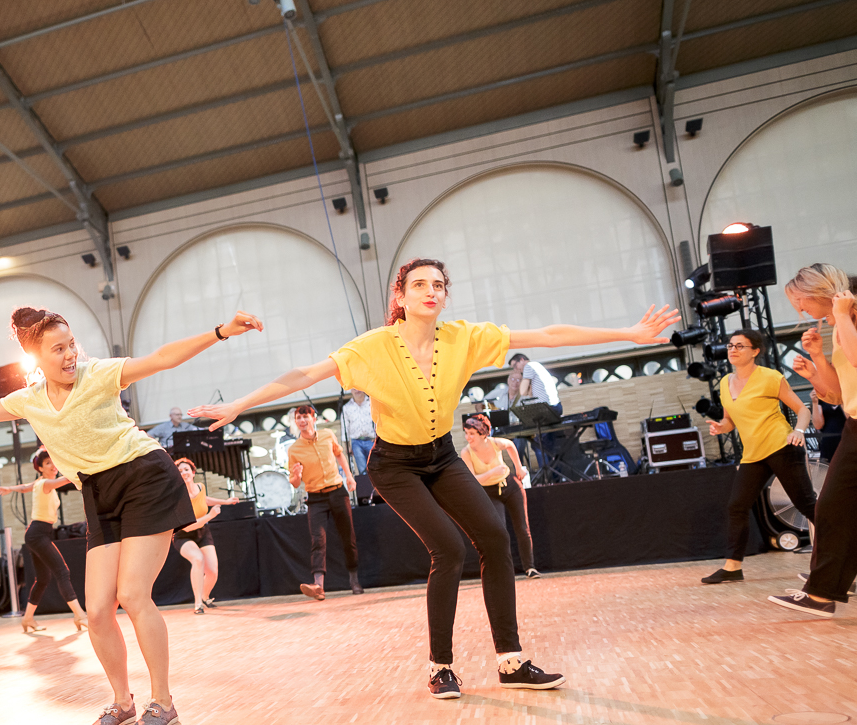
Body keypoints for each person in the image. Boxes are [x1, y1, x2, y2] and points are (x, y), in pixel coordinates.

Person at [192, 257, 678, 699]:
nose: (431, 291)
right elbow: (303, 375)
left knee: (493, 535)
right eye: (419, 284)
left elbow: (547, 335)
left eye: (439, 285)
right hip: (394, 465)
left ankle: (510, 660)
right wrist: (239, 404)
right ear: (399, 297)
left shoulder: (464, 337)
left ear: (446, 296)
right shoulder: (373, 347)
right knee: (448, 548)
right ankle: (440, 666)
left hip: (442, 457)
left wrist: (630, 334)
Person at [0, 305, 265, 725]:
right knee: (96, 610)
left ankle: (163, 701)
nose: (69, 354)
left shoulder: (98, 374)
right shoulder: (29, 400)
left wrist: (221, 331)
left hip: (144, 476)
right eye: (57, 349)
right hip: (98, 493)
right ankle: (121, 701)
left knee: (133, 595)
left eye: (71, 344)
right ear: (36, 358)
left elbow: (161, 357)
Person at [698, 328, 817, 585]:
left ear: (755, 351)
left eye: (740, 346)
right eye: (730, 345)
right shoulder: (724, 382)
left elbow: (801, 409)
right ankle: (732, 567)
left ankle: (843, 557)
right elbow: (730, 421)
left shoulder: (770, 377)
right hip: (752, 454)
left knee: (808, 505)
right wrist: (721, 427)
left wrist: (797, 431)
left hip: (781, 445)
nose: (732, 349)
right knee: (737, 506)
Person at [776, 264, 857, 615]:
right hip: (855, 423)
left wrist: (842, 317)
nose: (800, 310)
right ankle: (826, 590)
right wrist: (818, 361)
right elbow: (838, 395)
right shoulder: (841, 324)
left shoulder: (849, 316)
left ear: (813, 292)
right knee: (837, 507)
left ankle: (824, 590)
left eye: (799, 301)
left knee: (835, 506)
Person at [0, 448, 89, 633]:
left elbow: (24, 488)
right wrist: (80, 466)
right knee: (62, 571)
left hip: (38, 534)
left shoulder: (39, 483)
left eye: (54, 462)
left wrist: (9, 489)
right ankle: (79, 615)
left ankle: (28, 619)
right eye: (47, 463)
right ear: (40, 467)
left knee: (43, 579)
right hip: (38, 533)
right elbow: (66, 479)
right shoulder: (46, 483)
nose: (53, 466)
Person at [287, 404, 361, 601]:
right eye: (298, 419)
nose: (302, 421)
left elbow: (338, 454)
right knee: (318, 540)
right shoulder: (294, 449)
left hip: (337, 492)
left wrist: (349, 476)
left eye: (305, 417)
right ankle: (318, 586)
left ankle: (354, 579)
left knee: (348, 537)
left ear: (314, 418)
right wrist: (296, 475)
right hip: (316, 498)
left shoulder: (328, 435)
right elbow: (295, 483)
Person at [460, 413, 539, 578]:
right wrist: (493, 471)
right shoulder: (466, 453)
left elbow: (510, 445)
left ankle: (530, 568)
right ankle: (504, 570)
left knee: (522, 529)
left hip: (510, 487)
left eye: (472, 434)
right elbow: (474, 480)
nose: (468, 437)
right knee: (500, 532)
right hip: (489, 493)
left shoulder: (495, 443)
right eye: (466, 433)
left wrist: (518, 467)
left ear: (483, 433)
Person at [171, 456, 240, 614]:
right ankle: (198, 605)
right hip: (183, 535)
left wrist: (226, 502)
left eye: (186, 470)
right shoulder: (178, 496)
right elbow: (188, 528)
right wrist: (210, 516)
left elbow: (204, 500)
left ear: (193, 472)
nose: (183, 473)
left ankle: (204, 597)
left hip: (202, 532)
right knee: (197, 559)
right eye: (180, 471)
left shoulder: (200, 487)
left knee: (212, 572)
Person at [341, 389, 376, 475]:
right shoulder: (347, 407)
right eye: (354, 388)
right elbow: (345, 428)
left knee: (375, 466)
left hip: (371, 440)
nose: (357, 390)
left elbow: (378, 421)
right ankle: (366, 487)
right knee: (362, 470)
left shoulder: (372, 403)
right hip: (356, 442)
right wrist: (347, 446)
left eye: (358, 387)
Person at [812, 395, 847, 465]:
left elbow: (851, 417)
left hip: (847, 440)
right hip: (828, 443)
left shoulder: (846, 394)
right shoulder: (821, 398)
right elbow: (818, 425)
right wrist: (815, 403)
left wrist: (841, 399)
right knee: (829, 472)